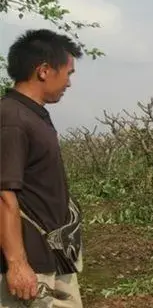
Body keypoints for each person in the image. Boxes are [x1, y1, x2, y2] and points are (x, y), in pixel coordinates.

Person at [0, 29, 84, 308]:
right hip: (31, 265)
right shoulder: (12, 117)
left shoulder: (33, 114)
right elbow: (4, 195)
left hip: (52, 256)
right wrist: (17, 265)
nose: (70, 83)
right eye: (68, 73)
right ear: (44, 70)